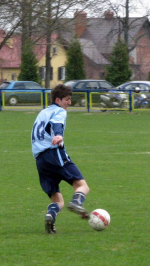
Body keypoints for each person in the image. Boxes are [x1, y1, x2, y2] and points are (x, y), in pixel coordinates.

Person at [31, 84, 90, 234]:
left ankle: (50, 218)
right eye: (67, 100)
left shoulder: (43, 112)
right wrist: (58, 135)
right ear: (58, 100)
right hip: (53, 154)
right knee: (82, 186)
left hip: (40, 160)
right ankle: (76, 203)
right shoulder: (59, 111)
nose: (69, 103)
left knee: (57, 200)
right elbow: (56, 124)